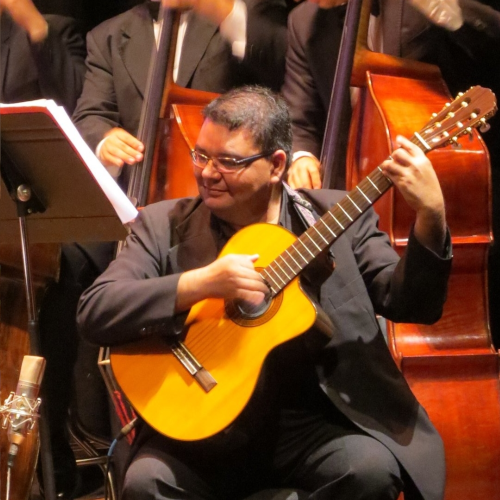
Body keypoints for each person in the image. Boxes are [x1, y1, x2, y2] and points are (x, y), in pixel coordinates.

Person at [77, 86, 452, 500]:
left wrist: (431, 216)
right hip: (201, 428)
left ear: (276, 165)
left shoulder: (338, 216)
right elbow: (95, 310)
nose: (207, 173)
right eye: (201, 155)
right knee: (146, 483)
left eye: (228, 162)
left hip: (314, 424)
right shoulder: (161, 224)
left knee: (369, 472)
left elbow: (413, 304)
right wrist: (200, 283)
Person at [283, 0, 500, 191]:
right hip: (355, 185)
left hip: (448, 169)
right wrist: (302, 156)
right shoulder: (304, 23)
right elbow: (300, 117)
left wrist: (452, 13)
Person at [72, 0, 298, 178]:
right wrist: (104, 141)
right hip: (141, 189)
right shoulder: (107, 36)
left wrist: (226, 14)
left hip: (227, 185)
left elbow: (284, 66)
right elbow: (91, 115)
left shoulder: (244, 11)